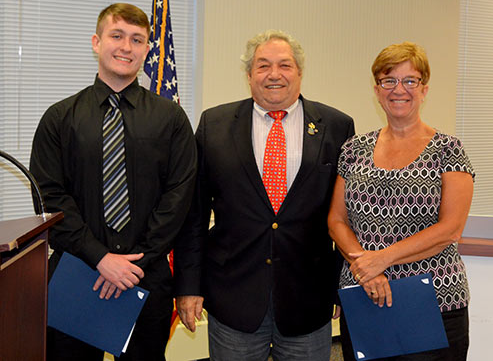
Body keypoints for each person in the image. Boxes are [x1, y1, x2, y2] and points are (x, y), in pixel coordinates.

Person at [30, 3, 197, 361]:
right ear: (96, 42)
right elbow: (50, 198)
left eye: (137, 39)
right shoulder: (59, 118)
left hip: (145, 277)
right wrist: (101, 257)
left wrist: (131, 262)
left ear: (148, 49)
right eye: (117, 35)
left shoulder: (171, 119)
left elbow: (179, 197)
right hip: (77, 272)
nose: (126, 47)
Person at [174, 29, 354, 360]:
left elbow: (346, 216)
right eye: (263, 65)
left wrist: (341, 289)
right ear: (248, 75)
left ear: (300, 72)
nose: (274, 74)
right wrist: (188, 286)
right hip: (232, 298)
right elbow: (194, 214)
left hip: (308, 299)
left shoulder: (336, 126)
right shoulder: (214, 124)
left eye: (285, 65)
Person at [328, 42, 474, 361]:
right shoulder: (354, 149)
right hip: (365, 295)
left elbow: (451, 228)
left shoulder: (448, 150)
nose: (399, 90)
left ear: (424, 89)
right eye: (388, 80)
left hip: (435, 301)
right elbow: (336, 220)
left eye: (410, 81)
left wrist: (382, 259)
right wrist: (364, 266)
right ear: (377, 89)